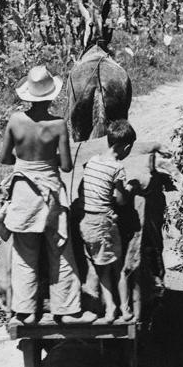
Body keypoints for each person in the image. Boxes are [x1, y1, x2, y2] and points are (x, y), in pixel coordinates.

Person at [0, 65, 95, 325]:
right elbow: (66, 167)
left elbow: (5, 158)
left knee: (25, 253)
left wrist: (25, 160)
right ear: (51, 97)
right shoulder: (58, 125)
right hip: (50, 192)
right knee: (60, 251)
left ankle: (26, 310)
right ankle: (65, 307)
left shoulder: (16, 121)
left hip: (23, 194)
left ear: (27, 96)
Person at [80, 119, 137, 324]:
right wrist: (130, 188)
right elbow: (121, 200)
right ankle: (126, 309)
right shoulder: (117, 168)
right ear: (127, 147)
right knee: (119, 267)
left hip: (87, 223)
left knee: (101, 267)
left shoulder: (93, 161)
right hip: (104, 222)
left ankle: (110, 308)